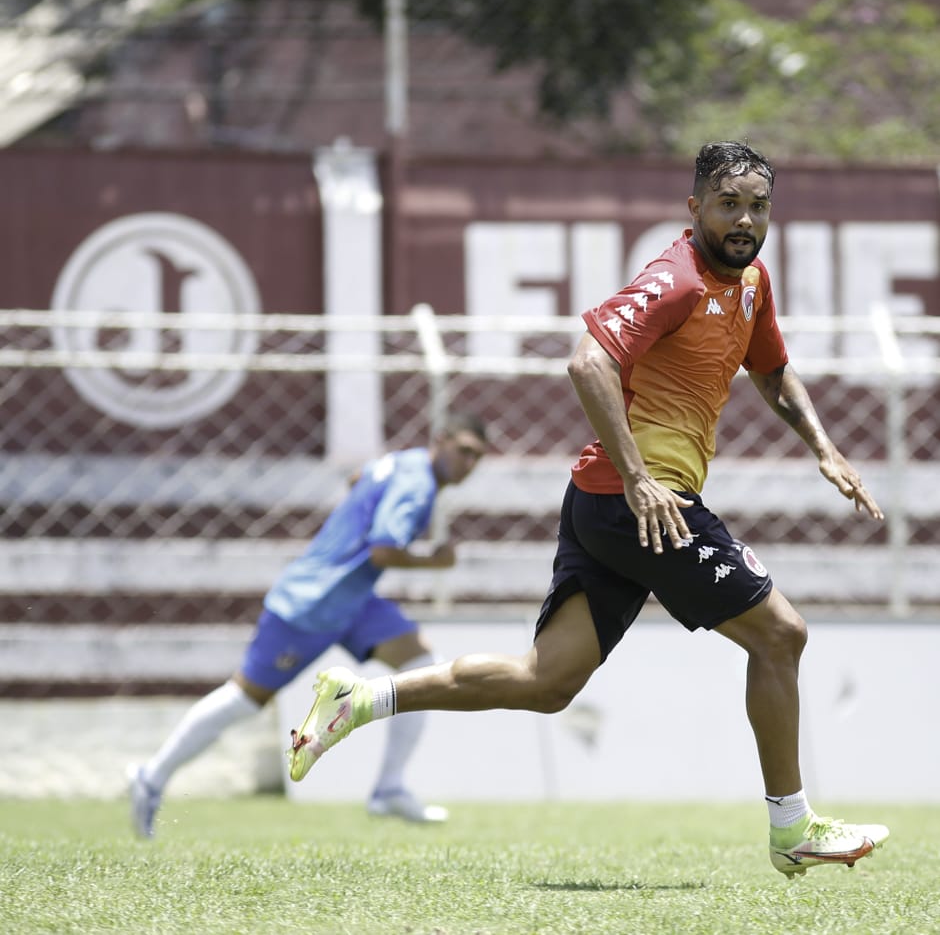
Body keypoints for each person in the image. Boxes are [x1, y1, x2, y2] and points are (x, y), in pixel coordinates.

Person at [286, 141, 889, 877]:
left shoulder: (752, 283)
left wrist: (824, 448)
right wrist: (639, 478)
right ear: (694, 208)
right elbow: (587, 361)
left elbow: (773, 372)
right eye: (728, 204)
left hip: (609, 504)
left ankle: (362, 697)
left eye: (758, 206)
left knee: (547, 682)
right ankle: (791, 828)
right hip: (642, 503)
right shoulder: (674, 279)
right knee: (781, 637)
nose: (744, 219)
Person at [127, 412, 488, 837]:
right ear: (441, 440)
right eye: (463, 451)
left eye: (476, 457)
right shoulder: (418, 483)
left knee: (424, 665)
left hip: (352, 600)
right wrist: (436, 561)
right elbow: (383, 551)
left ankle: (389, 788)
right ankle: (152, 776)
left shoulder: (402, 461)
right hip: (312, 603)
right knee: (245, 698)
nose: (468, 463)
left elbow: (358, 480)